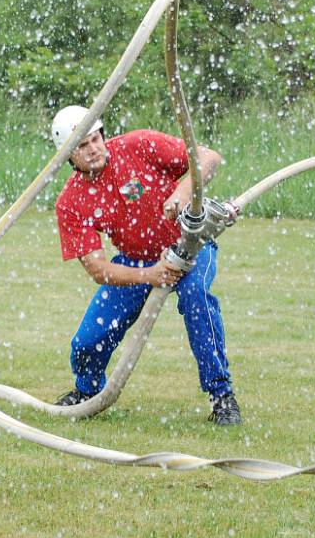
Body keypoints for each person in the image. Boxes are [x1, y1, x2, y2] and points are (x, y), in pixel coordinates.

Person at [51, 105, 241, 425]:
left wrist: (182, 193)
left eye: (96, 138)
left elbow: (208, 157)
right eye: (82, 145)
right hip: (135, 261)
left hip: (190, 247)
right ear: (67, 155)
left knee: (197, 301)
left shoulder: (138, 144)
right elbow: (98, 270)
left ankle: (222, 396)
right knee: (88, 339)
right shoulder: (71, 202)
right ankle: (87, 391)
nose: (94, 148)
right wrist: (148, 274)